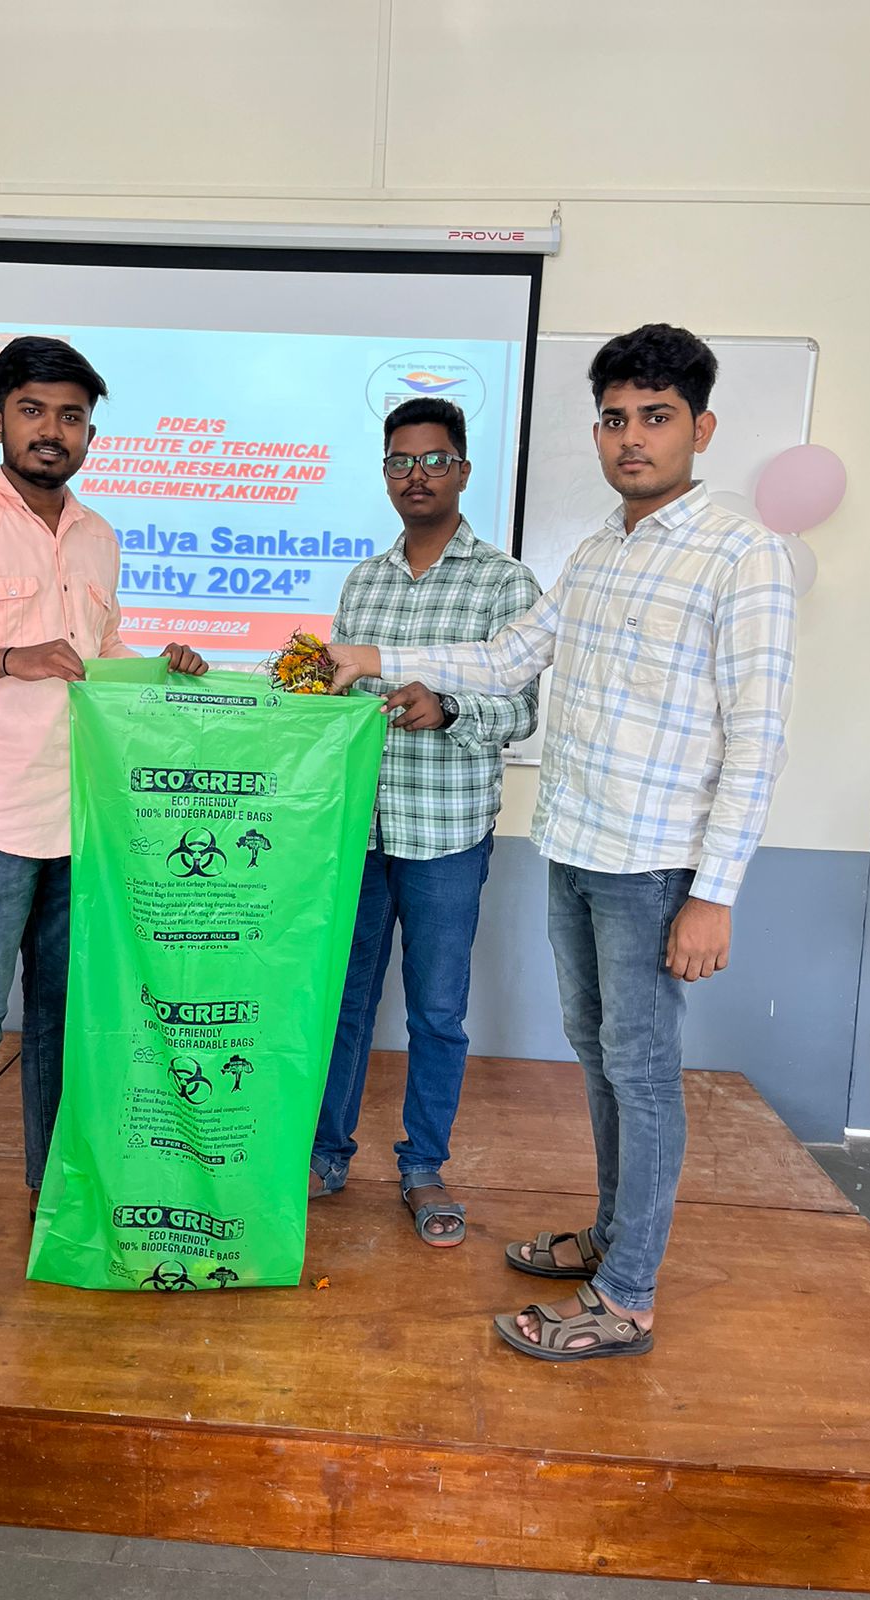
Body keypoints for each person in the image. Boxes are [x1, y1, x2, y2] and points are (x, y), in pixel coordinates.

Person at [327, 325, 796, 1355]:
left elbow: (758, 736)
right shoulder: (594, 554)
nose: (633, 438)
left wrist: (715, 892)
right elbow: (505, 659)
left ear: (702, 428)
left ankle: (625, 1297)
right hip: (576, 849)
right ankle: (612, 1238)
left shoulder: (742, 555)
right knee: (601, 1057)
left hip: (653, 865)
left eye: (657, 418)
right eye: (617, 419)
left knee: (642, 1070)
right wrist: (371, 654)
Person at [0, 335, 206, 1329]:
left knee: (66, 1027)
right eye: (33, 411)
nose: (51, 430)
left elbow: (95, 659)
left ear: (90, 433)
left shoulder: (99, 536)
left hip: (83, 824)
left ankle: (50, 1206)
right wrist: (8, 656)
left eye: (70, 415)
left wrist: (160, 665)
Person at [310, 397, 540, 1246]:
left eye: (435, 460)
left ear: (464, 470)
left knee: (437, 1012)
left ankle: (424, 1167)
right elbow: (337, 696)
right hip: (357, 833)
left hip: (445, 833)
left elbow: (522, 712)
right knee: (341, 1003)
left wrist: (449, 709)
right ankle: (324, 1154)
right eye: (400, 461)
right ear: (385, 474)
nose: (417, 475)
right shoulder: (362, 582)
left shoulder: (505, 583)